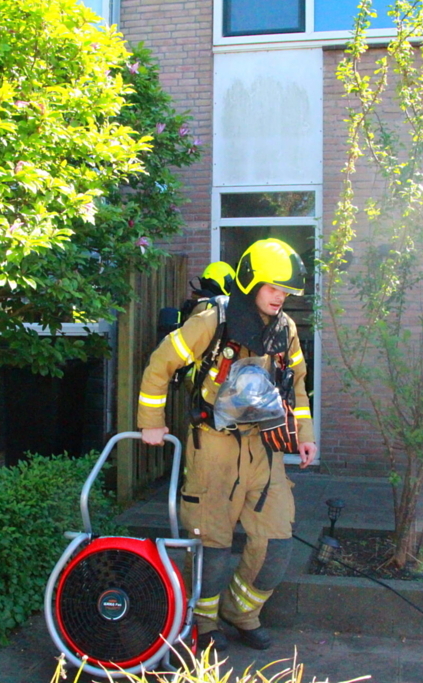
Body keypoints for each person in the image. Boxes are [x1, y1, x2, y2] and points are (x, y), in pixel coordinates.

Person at [137, 238, 317, 653]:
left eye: (286, 291)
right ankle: (204, 622)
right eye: (274, 288)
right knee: (211, 547)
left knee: (276, 542)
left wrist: (304, 437)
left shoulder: (284, 329)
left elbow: (298, 388)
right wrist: (151, 422)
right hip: (212, 450)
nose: (281, 297)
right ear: (252, 282)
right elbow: (161, 364)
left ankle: (243, 613)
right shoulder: (211, 320)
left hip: (264, 451)